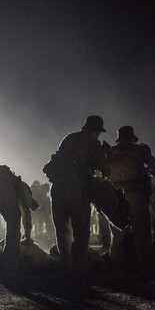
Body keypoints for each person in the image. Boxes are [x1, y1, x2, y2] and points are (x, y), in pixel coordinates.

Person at [43, 115, 110, 274]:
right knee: (81, 230)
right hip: (76, 190)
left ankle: (65, 264)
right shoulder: (92, 142)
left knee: (62, 229)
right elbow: (104, 168)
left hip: (58, 189)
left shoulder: (68, 138)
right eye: (98, 132)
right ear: (95, 131)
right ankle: (79, 267)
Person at [107, 125, 155, 275]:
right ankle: (145, 268)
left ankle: (116, 267)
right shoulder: (139, 150)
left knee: (117, 234)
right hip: (136, 194)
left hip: (116, 196)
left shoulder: (110, 152)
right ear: (131, 137)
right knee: (142, 233)